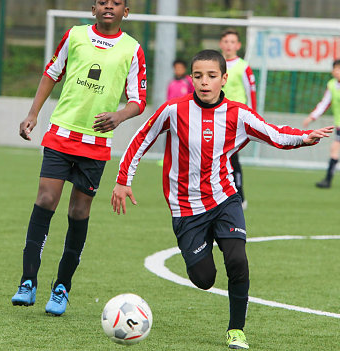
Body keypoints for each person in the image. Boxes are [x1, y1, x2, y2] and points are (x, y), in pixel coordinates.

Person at [111, 50, 333, 350]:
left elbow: (274, 134)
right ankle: (202, 254)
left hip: (224, 198)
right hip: (186, 207)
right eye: (198, 76)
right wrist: (123, 180)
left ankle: (236, 330)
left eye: (212, 76)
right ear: (191, 78)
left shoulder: (238, 114)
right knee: (204, 278)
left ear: (224, 78)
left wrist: (304, 137)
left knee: (238, 260)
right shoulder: (174, 110)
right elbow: (141, 138)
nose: (204, 82)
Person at [11, 0, 147, 316]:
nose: (108, 7)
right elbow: (51, 73)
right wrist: (33, 114)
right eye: (102, 2)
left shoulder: (132, 49)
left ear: (126, 11)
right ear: (93, 9)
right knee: (45, 199)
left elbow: (137, 100)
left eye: (116, 3)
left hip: (96, 143)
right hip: (60, 133)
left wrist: (118, 116)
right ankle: (27, 282)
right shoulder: (74, 36)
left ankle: (61, 287)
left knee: (78, 210)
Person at [219, 28, 257, 209]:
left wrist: (253, 119)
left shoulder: (243, 67)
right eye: (226, 41)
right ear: (221, 44)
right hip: (215, 116)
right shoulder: (214, 64)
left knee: (231, 156)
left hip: (234, 118)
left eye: (232, 42)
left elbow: (251, 93)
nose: (229, 45)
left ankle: (240, 196)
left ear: (238, 45)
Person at [302, 59, 340, 188]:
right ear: (332, 71)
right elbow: (324, 104)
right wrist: (311, 117)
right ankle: (328, 180)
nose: (338, 72)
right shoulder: (332, 85)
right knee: (334, 149)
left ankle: (328, 180)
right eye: (336, 69)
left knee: (334, 149)